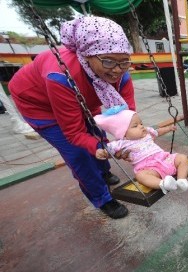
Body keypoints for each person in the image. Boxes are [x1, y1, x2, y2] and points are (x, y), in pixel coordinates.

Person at [8, 16, 136, 219]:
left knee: (97, 133)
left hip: (81, 96)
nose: (118, 69)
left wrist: (128, 143)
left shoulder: (122, 75)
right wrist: (97, 147)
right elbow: (74, 132)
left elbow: (128, 119)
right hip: (39, 105)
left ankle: (103, 171)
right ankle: (102, 198)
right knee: (79, 153)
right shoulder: (60, 76)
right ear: (86, 56)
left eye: (124, 61)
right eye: (109, 61)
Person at [94, 110, 188, 194]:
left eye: (141, 123)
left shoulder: (147, 132)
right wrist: (102, 152)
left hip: (165, 159)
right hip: (150, 169)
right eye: (135, 126)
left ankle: (181, 181)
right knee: (140, 176)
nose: (141, 126)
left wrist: (168, 129)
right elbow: (109, 151)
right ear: (123, 133)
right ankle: (163, 184)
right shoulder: (120, 143)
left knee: (182, 158)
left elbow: (157, 132)